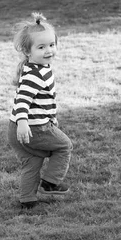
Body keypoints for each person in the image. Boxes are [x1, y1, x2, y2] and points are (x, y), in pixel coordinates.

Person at [8, 12, 73, 209]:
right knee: (64, 146)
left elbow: (44, 101)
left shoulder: (36, 68)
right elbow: (21, 101)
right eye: (41, 47)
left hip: (17, 129)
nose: (48, 51)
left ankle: (27, 200)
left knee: (32, 161)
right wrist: (23, 122)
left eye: (52, 45)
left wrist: (51, 117)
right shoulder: (35, 75)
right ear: (28, 52)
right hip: (32, 128)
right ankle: (51, 182)